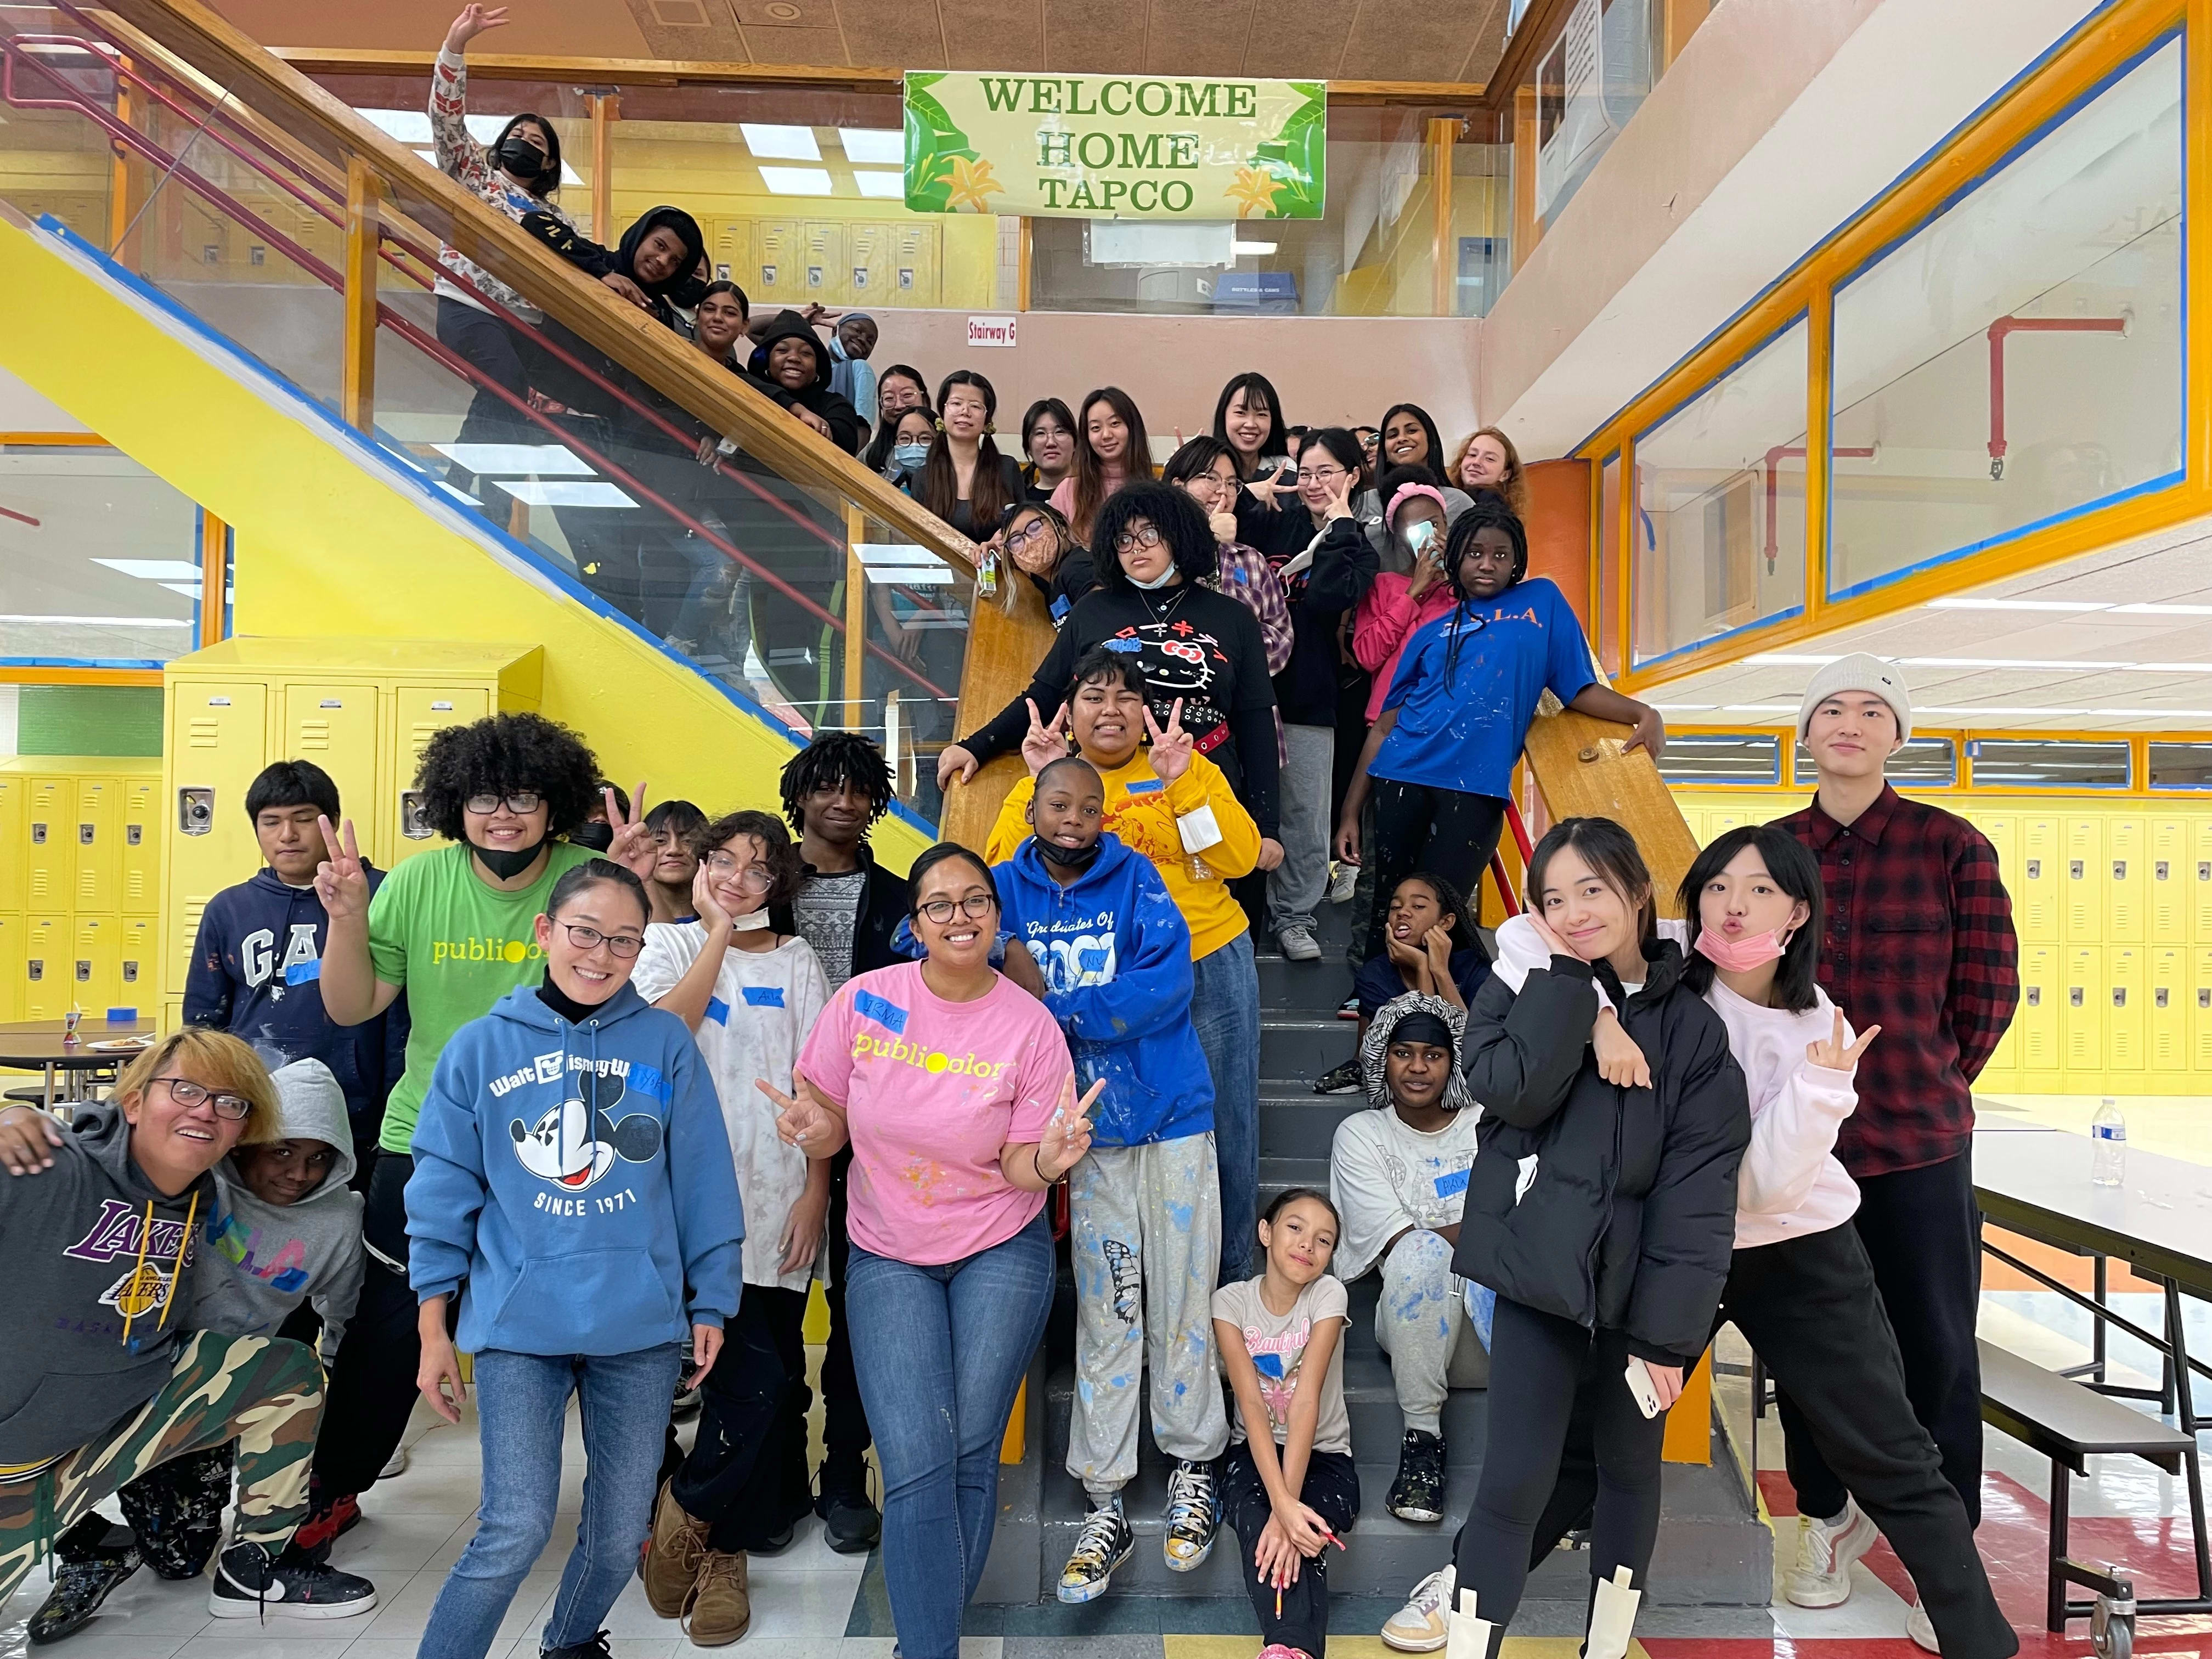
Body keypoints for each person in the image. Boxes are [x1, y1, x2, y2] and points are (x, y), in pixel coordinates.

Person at [1439, 823, 2018, 1658]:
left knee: (1887, 1450)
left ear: (1797, 913)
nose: (1734, 907)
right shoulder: (1672, 956)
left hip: (1792, 1249)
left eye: (1759, 892)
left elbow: (1761, 1190)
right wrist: (1601, 1015)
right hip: (1668, 1250)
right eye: (1717, 887)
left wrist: (1822, 1090)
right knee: (1576, 1443)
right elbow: (1538, 929)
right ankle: (1459, 1596)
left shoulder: (1818, 1026)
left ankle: (1979, 1637)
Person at [311, 713, 657, 1519]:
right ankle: (332, 1493)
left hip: (563, 1146)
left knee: (595, 1330)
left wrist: (642, 897)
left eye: (526, 797)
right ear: (455, 804)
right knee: (389, 1327)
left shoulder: (588, 876)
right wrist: (348, 917)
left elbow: (634, 1006)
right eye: (484, 798)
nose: (504, 814)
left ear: (556, 804)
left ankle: (627, 1505)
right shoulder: (417, 883)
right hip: (429, 1138)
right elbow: (352, 1004)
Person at [1425, 817, 1749, 1659]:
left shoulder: (1694, 1033)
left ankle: (1602, 1651)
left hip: (1645, 1299)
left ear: (1638, 892)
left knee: (1630, 1476)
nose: (1574, 913)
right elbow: (1512, 1091)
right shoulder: (1523, 987)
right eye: (1554, 900)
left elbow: (1700, 1196)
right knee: (1513, 1482)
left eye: (1594, 891)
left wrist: (1671, 1336)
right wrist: (1576, 993)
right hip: (1540, 1279)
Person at [404, 857, 739, 1659]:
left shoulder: (664, 1041)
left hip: (640, 1325)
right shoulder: (479, 1049)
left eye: (624, 941)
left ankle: (569, 1643)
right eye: (585, 932)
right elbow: (443, 1192)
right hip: (521, 1325)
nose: (601, 955)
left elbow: (701, 1177)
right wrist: (432, 1328)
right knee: (514, 1527)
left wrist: (711, 1301)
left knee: (623, 1526)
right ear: (546, 931)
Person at [773, 844, 1096, 1659]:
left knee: (967, 1452)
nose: (961, 916)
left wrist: (1050, 1162)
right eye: (940, 904)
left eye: (976, 901)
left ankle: (926, 1645)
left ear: (997, 915)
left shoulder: (1030, 1027)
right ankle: (932, 1646)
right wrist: (817, 1129)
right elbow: (832, 1114)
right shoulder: (866, 1001)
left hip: (1000, 1245)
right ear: (914, 924)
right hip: (887, 1250)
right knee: (916, 1461)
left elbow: (1022, 1165)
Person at [1772, 656, 2018, 1597]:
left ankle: (1940, 1555)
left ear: (1895, 734)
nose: (1848, 722)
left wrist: (1932, 1076)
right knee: (1810, 1345)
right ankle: (1826, 1517)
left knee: (1937, 1346)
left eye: (1870, 709)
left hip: (1917, 1144)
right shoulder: (1770, 849)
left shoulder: (1950, 843)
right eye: (1829, 707)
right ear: (1804, 733)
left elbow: (1986, 992)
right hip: (1799, 1150)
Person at [0, 1031, 374, 1620]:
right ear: (134, 1102)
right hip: (20, 1446)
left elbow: (342, 1318)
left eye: (230, 1104)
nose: (205, 1112)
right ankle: (89, 1544)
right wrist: (14, 1116)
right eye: (186, 1091)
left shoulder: (198, 1195)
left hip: (137, 1402)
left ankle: (253, 1566)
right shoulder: (50, 1170)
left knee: (181, 1551)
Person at [992, 756, 1230, 1602]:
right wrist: (1003, 946)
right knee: (1110, 1303)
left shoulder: (1140, 880)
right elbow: (934, 937)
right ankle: (1105, 1499)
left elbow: (1168, 986)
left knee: (1182, 1295)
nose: (1073, 819)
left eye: (1089, 808)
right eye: (1058, 803)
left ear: (1105, 817)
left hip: (1170, 1116)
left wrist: (1047, 1005)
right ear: (1033, 808)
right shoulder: (998, 890)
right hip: (1080, 1132)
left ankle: (1195, 1464)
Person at [980, 648, 1266, 1283]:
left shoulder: (1187, 769)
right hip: (1090, 975)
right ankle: (1109, 1291)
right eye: (1093, 697)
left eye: (1127, 699)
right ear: (1070, 711)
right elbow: (1000, 881)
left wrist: (1182, 781)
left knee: (1223, 1118)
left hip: (1205, 955)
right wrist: (1035, 781)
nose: (1110, 711)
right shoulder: (1045, 787)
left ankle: (1230, 1280)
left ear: (1146, 713)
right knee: (1087, 1131)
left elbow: (1240, 860)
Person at [634, 812, 830, 1644]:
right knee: (716, 1382)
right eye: (723, 862)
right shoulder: (664, 946)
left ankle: (709, 1533)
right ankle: (705, 1532)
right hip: (683, 1206)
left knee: (768, 1383)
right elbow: (662, 1033)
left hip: (779, 1199)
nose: (736, 878)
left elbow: (822, 1087)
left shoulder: (800, 961)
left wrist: (816, 1191)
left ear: (778, 885)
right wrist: (712, 932)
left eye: (757, 869)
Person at [1338, 500, 1665, 962]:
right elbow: (1384, 727)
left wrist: (1640, 711)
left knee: (1445, 906)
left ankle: (1439, 1013)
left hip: (1477, 788)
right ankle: (1373, 1001)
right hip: (1401, 775)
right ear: (1455, 559)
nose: (1487, 564)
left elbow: (1576, 688)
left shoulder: (1542, 600)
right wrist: (1351, 812)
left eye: (1500, 554)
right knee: (1388, 903)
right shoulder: (1430, 631)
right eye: (1474, 553)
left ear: (1517, 562)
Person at [939, 482, 1282, 873]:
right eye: (1123, 539)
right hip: (1109, 788)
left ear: (1179, 535)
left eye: (1150, 534)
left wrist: (1267, 825)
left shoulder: (1233, 617)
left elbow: (1256, 723)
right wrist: (976, 746)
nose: (1137, 547)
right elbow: (1046, 695)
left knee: (1206, 901)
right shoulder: (1092, 611)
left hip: (1205, 782)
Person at [774, 733, 905, 1550]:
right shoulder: (759, 888)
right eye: (827, 787)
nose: (845, 802)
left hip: (872, 1133)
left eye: (860, 789)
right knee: (771, 1303)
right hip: (766, 1124)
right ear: (799, 796)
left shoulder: (899, 899)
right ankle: (778, 1466)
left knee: (857, 1309)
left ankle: (845, 1472)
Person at [183, 759, 407, 1178]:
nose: (287, 835)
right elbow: (204, 1023)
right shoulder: (229, 909)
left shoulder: (386, 895)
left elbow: (404, 1019)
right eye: (271, 822)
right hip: (256, 1113)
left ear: (333, 822)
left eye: (303, 819)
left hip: (358, 1114)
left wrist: (392, 1105)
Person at [1330, 994, 1484, 1528]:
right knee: (1421, 1251)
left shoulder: (1485, 1125)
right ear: (1383, 1059)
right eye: (1403, 1053)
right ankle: (1423, 1442)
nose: (1418, 1068)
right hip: (1414, 1326)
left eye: (1434, 1055)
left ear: (1453, 1062)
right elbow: (1401, 1244)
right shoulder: (1362, 1136)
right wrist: (1482, 1229)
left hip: (1495, 1329)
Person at [427, 3, 599, 442]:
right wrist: (455, 46)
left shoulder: (556, 218)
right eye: (516, 136)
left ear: (549, 161)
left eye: (535, 141)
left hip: (526, 323)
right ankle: (467, 487)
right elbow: (447, 120)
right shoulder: (475, 176)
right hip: (468, 306)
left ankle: (485, 495)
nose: (522, 142)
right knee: (506, 387)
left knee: (526, 403)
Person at [1237, 428, 1379, 962]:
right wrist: (1249, 497)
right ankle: (1244, 918)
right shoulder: (1274, 521)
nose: (1314, 483)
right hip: (1245, 693)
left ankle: (1294, 918)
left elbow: (1327, 598)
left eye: (1326, 472)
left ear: (1353, 476)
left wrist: (1341, 527)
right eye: (1307, 472)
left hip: (1310, 696)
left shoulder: (1356, 543)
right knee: (1246, 808)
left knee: (1305, 815)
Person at [1211, 1188, 1357, 1659]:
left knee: (1304, 1530)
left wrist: (1288, 1510)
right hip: (1252, 1455)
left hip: (1324, 1454)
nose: (1307, 1246)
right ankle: (1295, 1648)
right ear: (1266, 1232)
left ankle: (1285, 1647)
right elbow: (1252, 1405)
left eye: (1324, 1241)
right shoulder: (1231, 1303)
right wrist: (1279, 1506)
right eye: (1295, 1228)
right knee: (1264, 1523)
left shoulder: (1328, 1293)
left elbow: (1306, 1401)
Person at [1313, 870, 1489, 1096]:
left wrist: (1440, 972)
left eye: (1418, 907)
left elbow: (1474, 1048)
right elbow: (1422, 1043)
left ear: (1446, 922)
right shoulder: (1376, 974)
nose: (1403, 913)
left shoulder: (1474, 968)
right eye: (1395, 908)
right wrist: (1422, 967)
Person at [1164, 435, 1293, 676]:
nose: (1224, 491)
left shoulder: (1251, 560)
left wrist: (1231, 662)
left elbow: (1281, 636)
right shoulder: (1158, 556)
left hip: (1246, 699)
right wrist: (1205, 542)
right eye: (1211, 478)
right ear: (1179, 487)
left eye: (1232, 483)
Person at [911, 369, 1023, 539]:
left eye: (976, 406)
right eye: (956, 404)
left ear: (987, 420)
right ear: (943, 413)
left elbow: (1024, 528)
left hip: (996, 564)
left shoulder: (1006, 469)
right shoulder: (923, 478)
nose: (965, 411)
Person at [742, 309, 865, 454]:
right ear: (767, 362)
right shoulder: (748, 391)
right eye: (782, 350)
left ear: (818, 367)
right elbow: (745, 328)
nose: (794, 358)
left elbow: (844, 449)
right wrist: (792, 319)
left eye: (806, 353)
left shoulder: (837, 406)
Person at [1050, 386, 1152, 544]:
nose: (1106, 435)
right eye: (1096, 428)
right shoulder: (1068, 491)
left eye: (1115, 423)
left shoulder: (1155, 490)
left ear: (1132, 427)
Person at [996, 499, 1096, 625]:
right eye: (1016, 541)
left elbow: (1104, 622)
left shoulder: (1076, 567)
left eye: (1035, 528)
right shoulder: (1047, 582)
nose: (1028, 542)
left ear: (1060, 526)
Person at [1213, 370, 1293, 483]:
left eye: (1261, 414)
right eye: (1241, 413)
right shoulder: (1208, 470)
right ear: (1223, 415)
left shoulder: (1285, 469)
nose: (1251, 424)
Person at [642, 797, 708, 923]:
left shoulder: (726, 918)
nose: (674, 850)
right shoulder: (627, 915)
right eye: (660, 841)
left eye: (688, 841)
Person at [1449, 426, 1526, 517]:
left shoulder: (1494, 510)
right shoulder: (1447, 496)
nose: (1476, 462)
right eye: (1472, 455)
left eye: (1490, 459)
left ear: (1505, 475)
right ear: (1460, 462)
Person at [827, 312, 878, 441]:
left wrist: (847, 461)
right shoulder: (812, 363)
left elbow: (863, 425)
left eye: (870, 341)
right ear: (835, 331)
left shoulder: (860, 368)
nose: (862, 339)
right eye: (857, 330)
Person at [1020, 396, 1078, 501]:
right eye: (1040, 433)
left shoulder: (1093, 494)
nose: (1051, 442)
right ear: (1028, 448)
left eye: (1060, 432)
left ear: (1075, 444)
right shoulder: (1021, 502)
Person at [878, 406, 936, 484]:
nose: (914, 445)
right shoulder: (895, 488)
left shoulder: (955, 487)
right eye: (905, 438)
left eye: (925, 438)